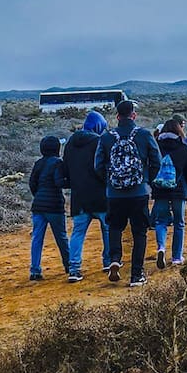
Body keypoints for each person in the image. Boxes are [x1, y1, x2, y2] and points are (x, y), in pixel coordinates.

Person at [94, 99, 161, 286]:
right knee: (139, 232)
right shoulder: (144, 135)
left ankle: (115, 259)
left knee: (115, 227)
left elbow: (98, 166)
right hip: (139, 192)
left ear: (117, 116)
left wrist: (109, 182)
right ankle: (136, 275)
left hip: (114, 193)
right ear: (134, 115)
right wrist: (146, 180)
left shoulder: (106, 137)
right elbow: (156, 161)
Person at [61, 110, 111, 283]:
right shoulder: (99, 141)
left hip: (79, 196)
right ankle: (108, 262)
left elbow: (65, 169)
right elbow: (103, 167)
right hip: (100, 195)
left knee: (78, 232)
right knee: (107, 229)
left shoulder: (70, 144)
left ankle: (74, 269)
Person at [151, 119, 187, 268]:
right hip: (179, 189)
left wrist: (153, 184)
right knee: (179, 223)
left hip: (160, 190)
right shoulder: (184, 147)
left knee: (160, 221)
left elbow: (150, 167)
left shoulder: (156, 146)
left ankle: (161, 247)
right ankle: (176, 256)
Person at [28, 136, 70, 281]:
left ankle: (35, 270)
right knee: (61, 237)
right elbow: (59, 182)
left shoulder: (38, 163)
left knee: (37, 238)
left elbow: (32, 183)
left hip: (38, 206)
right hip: (54, 205)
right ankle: (69, 265)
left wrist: (39, 196)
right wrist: (70, 182)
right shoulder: (58, 163)